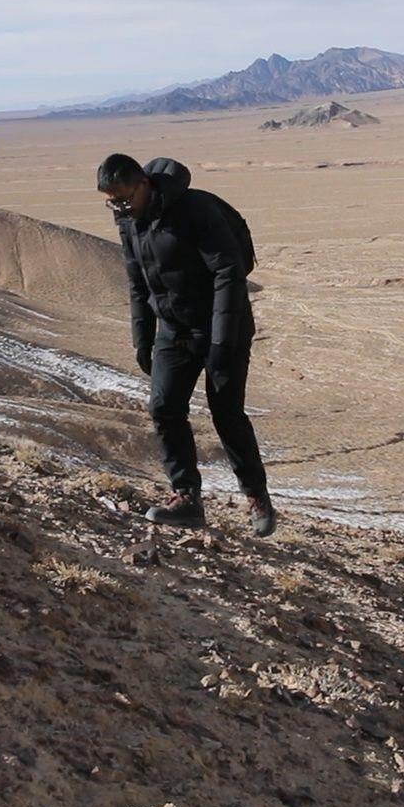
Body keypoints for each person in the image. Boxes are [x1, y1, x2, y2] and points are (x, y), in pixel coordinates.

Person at [97, 153, 275, 537]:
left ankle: (257, 496)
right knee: (163, 408)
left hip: (220, 325)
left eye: (125, 197)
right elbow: (137, 282)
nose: (121, 206)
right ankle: (186, 499)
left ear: (144, 182)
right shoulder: (130, 223)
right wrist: (141, 339)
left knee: (226, 411)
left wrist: (222, 339)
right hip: (173, 329)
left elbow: (228, 272)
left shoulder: (194, 208)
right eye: (113, 201)